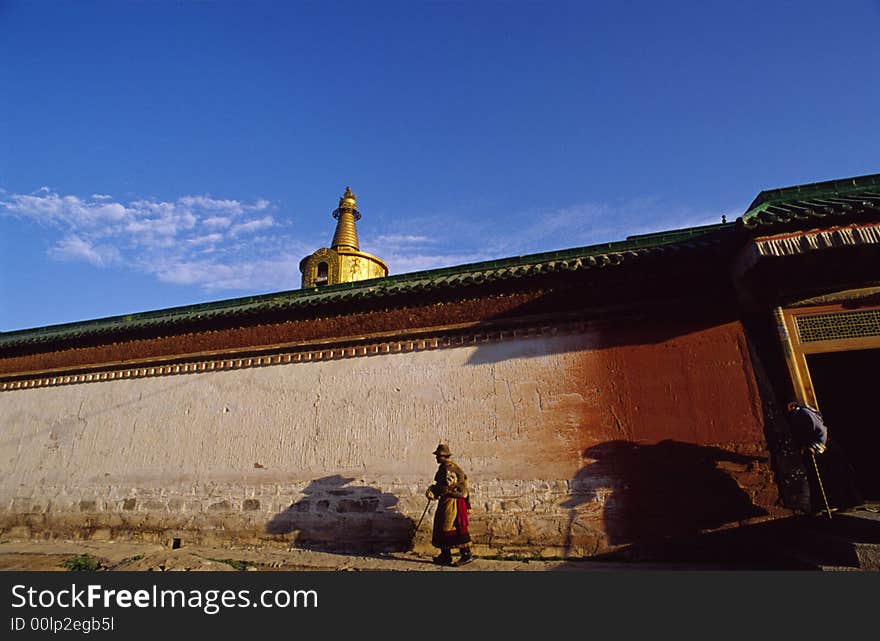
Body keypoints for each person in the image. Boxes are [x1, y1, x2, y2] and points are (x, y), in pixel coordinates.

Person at [785, 401, 863, 513]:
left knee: (840, 474)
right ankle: (828, 504)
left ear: (792, 405)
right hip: (818, 449)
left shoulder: (804, 413)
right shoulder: (795, 416)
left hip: (826, 446)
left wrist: (814, 447)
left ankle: (850, 503)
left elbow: (821, 431)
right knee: (827, 477)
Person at [425, 443, 473, 566]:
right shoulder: (451, 467)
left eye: (438, 456)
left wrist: (434, 491)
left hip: (452, 502)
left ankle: (466, 554)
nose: (436, 458)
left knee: (450, 527)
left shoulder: (448, 469)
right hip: (447, 501)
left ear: (443, 456)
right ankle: (445, 555)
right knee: (442, 526)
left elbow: (447, 488)